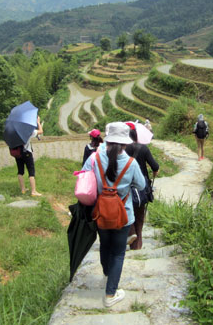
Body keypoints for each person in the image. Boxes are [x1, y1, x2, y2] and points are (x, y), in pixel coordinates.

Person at [80, 122, 144, 307]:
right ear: (125, 143)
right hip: (123, 215)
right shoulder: (130, 163)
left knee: (105, 246)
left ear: (107, 140)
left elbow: (84, 177)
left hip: (100, 213)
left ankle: (108, 275)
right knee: (118, 253)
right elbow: (141, 185)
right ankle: (110, 294)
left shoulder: (94, 158)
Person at [125, 122, 159, 250]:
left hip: (127, 186)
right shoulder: (144, 148)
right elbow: (155, 166)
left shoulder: (123, 149)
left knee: (129, 212)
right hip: (141, 187)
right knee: (140, 215)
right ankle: (137, 245)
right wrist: (155, 172)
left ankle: (131, 234)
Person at [16, 115, 44, 196]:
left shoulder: (16, 130)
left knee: (20, 171)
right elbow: (41, 131)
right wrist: (38, 122)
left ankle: (23, 189)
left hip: (18, 153)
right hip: (27, 153)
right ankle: (33, 191)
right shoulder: (28, 131)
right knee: (31, 172)